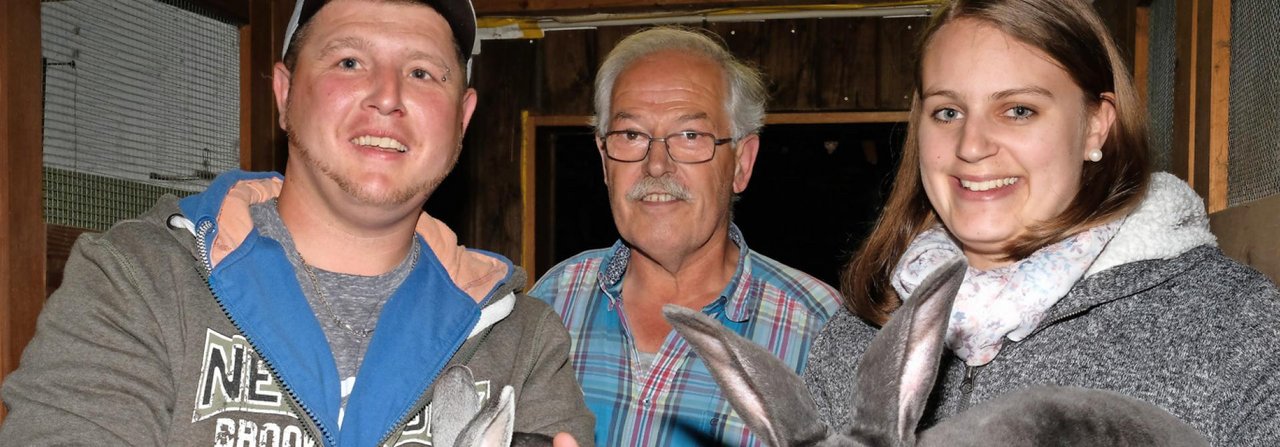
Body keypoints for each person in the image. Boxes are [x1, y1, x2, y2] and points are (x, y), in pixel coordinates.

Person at [0, 0, 593, 445]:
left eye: (422, 73)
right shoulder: (138, 280)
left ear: (462, 118)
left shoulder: (524, 341)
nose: (387, 96)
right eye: (350, 60)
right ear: (284, 93)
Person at [802, 0, 1280, 444]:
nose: (971, 145)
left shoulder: (1238, 327)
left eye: (1018, 110)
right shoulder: (856, 334)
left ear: (1096, 124)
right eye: (947, 111)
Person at [528, 26, 844, 447]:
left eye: (691, 136)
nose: (656, 164)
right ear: (604, 162)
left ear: (741, 164)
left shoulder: (820, 329)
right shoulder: (553, 301)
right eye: (632, 135)